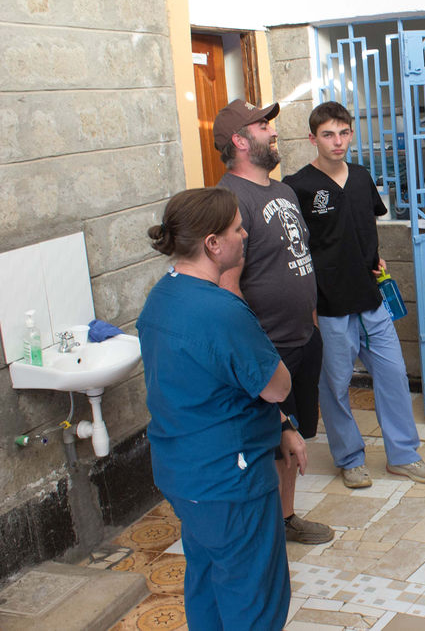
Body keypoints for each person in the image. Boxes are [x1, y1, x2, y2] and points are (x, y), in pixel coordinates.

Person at [138, 188, 306, 630]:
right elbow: (277, 386)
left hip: (183, 473)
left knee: (208, 579)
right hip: (230, 480)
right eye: (236, 229)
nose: (245, 234)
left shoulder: (162, 297)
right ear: (213, 244)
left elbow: (209, 383)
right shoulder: (220, 311)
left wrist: (283, 426)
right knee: (253, 595)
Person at [284, 101, 425, 488]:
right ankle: (350, 459)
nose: (337, 142)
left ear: (351, 134)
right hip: (330, 307)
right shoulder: (298, 186)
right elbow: (295, 248)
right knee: (335, 388)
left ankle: (403, 455)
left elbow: (365, 224)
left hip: (371, 301)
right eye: (328, 135)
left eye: (343, 133)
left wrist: (372, 256)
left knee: (394, 377)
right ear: (312, 138)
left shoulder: (360, 176)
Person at [214, 98, 333, 545]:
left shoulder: (282, 192)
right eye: (263, 125)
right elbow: (229, 286)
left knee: (292, 436)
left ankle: (285, 518)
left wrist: (313, 325)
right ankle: (260, 530)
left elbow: (299, 260)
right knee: (266, 441)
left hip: (303, 337)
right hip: (269, 347)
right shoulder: (229, 200)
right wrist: (256, 352)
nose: (273, 130)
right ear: (241, 141)